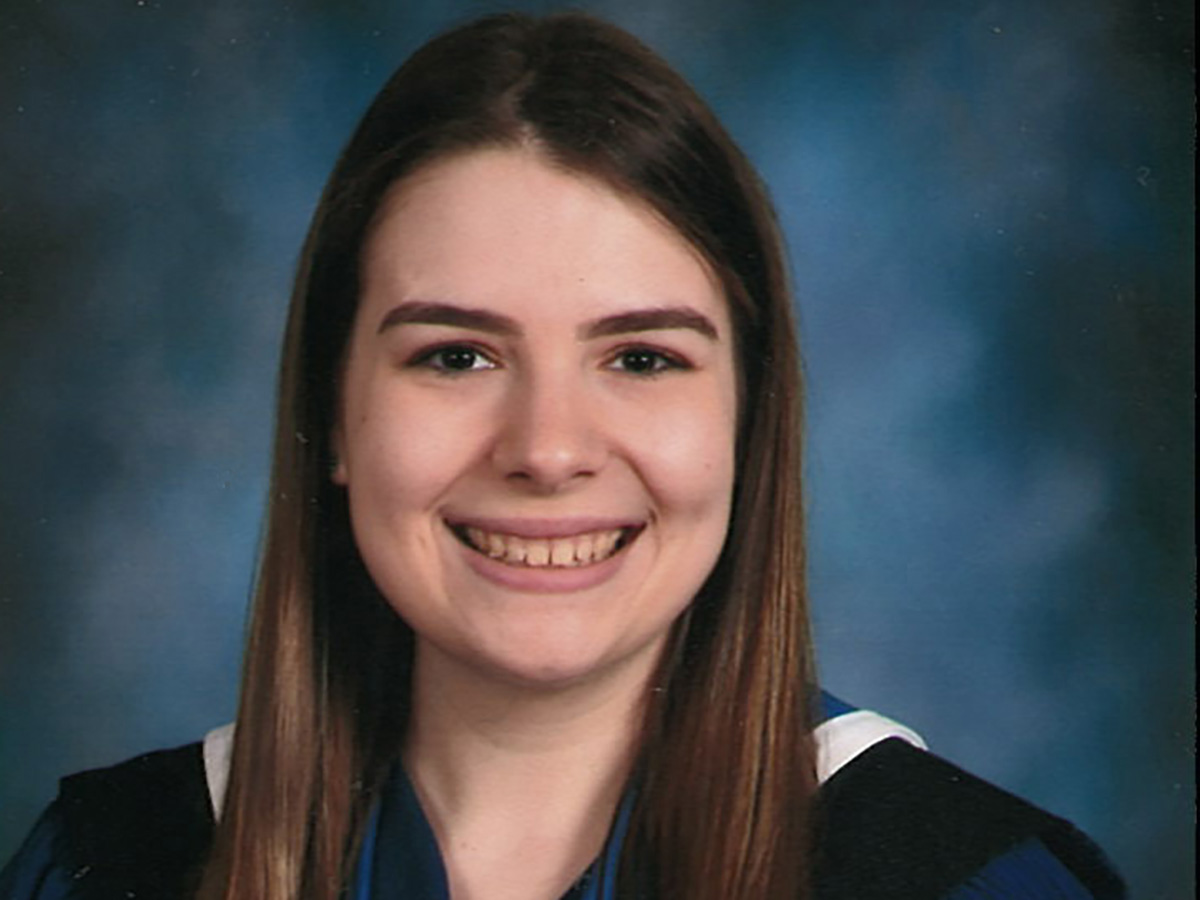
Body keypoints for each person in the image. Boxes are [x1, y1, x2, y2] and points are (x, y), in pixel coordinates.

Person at [0, 12, 1125, 900]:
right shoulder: (114, 866)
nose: (545, 450)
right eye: (454, 357)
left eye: (639, 358)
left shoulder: (959, 879)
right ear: (332, 419)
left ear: (748, 419)